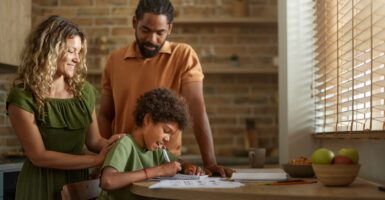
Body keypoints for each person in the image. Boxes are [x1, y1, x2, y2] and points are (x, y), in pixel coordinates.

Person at [98, 0, 232, 177]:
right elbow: (106, 115)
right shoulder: (114, 60)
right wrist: (104, 158)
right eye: (145, 30)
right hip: (123, 164)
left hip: (165, 166)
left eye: (160, 33)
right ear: (134, 23)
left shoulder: (183, 55)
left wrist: (210, 163)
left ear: (169, 29)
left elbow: (197, 111)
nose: (152, 39)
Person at [6, 15, 123, 200]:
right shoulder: (23, 97)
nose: (77, 59)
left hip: (77, 185)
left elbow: (94, 141)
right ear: (50, 51)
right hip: (40, 186)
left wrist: (117, 144)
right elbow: (39, 156)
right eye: (71, 51)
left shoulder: (85, 92)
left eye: (79, 52)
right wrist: (94, 160)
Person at [99, 88, 206, 199]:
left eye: (170, 135)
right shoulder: (124, 144)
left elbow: (177, 162)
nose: (167, 139)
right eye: (166, 131)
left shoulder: (157, 151)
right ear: (148, 119)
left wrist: (186, 166)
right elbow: (107, 181)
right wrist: (159, 170)